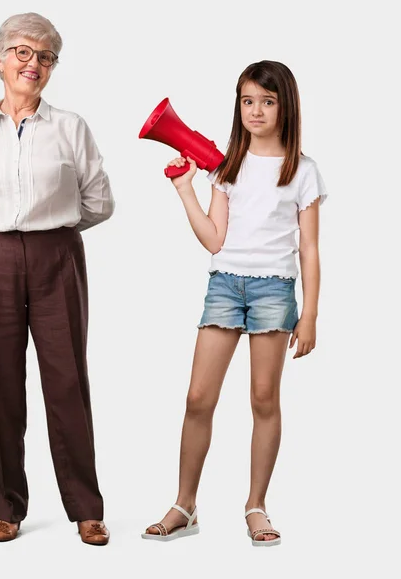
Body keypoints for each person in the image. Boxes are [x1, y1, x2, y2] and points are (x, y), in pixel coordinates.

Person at [0, 12, 114, 545]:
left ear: (52, 69)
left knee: (67, 382)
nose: (32, 63)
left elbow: (100, 202)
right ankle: (7, 506)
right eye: (22, 52)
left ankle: (86, 507)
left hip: (57, 255)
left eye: (45, 56)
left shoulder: (71, 127)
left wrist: (51, 230)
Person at [142, 61, 327, 546]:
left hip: (273, 291)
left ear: (286, 107)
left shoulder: (303, 171)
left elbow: (309, 248)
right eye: (248, 101)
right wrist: (186, 191)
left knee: (264, 400)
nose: (256, 110)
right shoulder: (226, 167)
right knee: (197, 398)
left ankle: (256, 505)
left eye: (267, 101)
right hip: (225, 285)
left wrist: (308, 314)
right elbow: (215, 240)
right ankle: (185, 504)